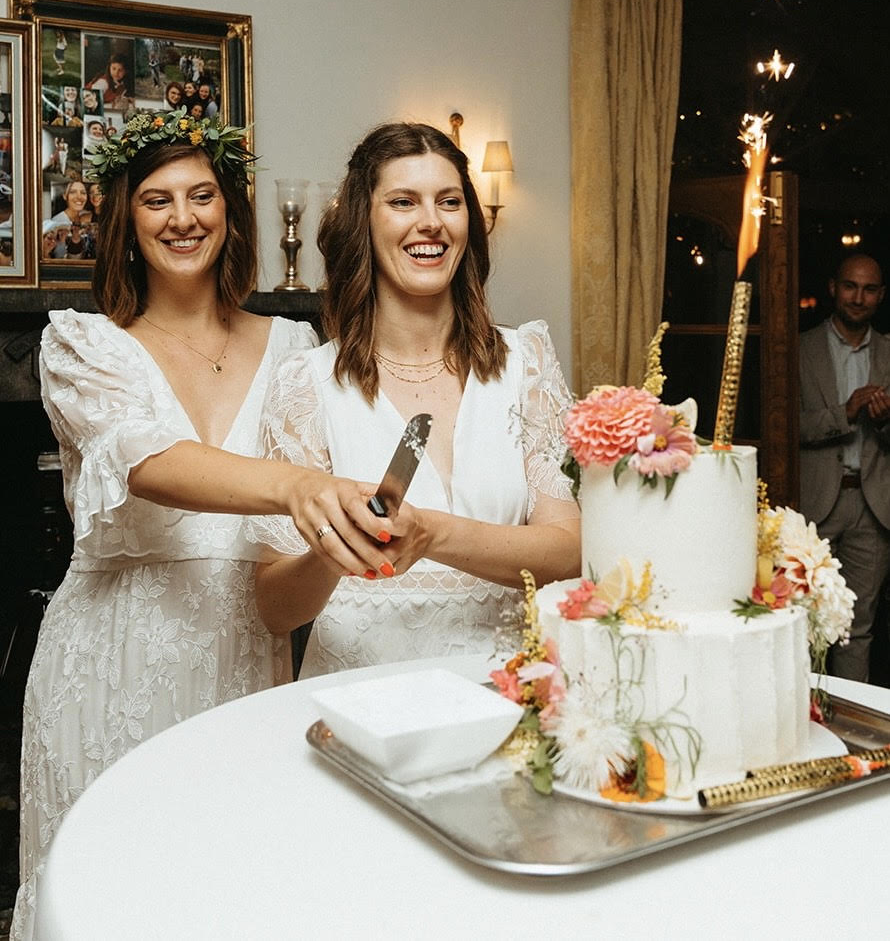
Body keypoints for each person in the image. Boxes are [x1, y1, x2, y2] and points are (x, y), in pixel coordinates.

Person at [12, 110, 392, 938]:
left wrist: (338, 541)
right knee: (103, 899)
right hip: (109, 660)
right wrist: (299, 484)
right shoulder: (81, 346)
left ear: (230, 210)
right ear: (124, 216)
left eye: (201, 195)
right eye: (156, 200)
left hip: (241, 662)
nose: (183, 218)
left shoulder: (298, 349)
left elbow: (287, 590)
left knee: (228, 899)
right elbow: (151, 461)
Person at [252, 122, 580, 677]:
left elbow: (570, 554)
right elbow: (274, 609)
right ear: (365, 221)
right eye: (403, 201)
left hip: (511, 688)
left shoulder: (525, 362)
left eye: (448, 201)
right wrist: (335, 552)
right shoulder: (305, 383)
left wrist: (432, 534)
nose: (430, 220)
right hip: (361, 696)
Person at [800, 252, 890, 682]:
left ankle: (848, 731)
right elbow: (783, 428)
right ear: (834, 288)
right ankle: (801, 720)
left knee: (857, 629)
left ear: (881, 296)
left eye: (869, 289)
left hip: (873, 509)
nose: (859, 297)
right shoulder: (799, 349)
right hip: (814, 506)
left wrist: (884, 420)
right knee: (800, 622)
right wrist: (846, 412)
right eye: (851, 286)